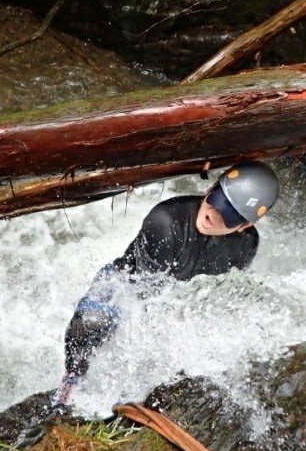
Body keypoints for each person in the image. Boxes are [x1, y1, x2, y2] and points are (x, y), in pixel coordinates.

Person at [51, 160, 280, 411]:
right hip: (126, 284)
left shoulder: (246, 245)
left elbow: (221, 294)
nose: (213, 214)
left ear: (244, 226)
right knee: (93, 322)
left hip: (177, 299)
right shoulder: (166, 221)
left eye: (229, 215)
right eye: (218, 199)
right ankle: (70, 384)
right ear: (210, 188)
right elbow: (145, 296)